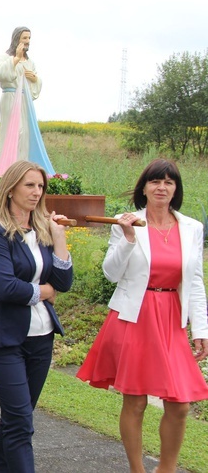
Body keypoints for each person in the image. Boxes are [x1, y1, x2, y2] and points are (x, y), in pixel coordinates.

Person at [76, 159, 208, 473]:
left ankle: (167, 469)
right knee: (135, 401)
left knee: (180, 404)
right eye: (155, 182)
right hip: (134, 318)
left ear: (176, 189)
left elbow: (194, 281)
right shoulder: (126, 223)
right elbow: (111, 274)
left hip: (171, 318)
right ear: (144, 188)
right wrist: (128, 238)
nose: (162, 187)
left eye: (169, 182)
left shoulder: (191, 227)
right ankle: (137, 469)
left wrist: (200, 328)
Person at [0, 160, 73, 472]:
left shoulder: (42, 230)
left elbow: (64, 283)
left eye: (40, 186)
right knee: (21, 423)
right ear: (11, 189)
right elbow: (4, 287)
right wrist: (43, 292)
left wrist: (59, 240)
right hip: (4, 339)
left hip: (41, 339)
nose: (36, 192)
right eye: (29, 185)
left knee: (18, 417)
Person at [0, 27, 53, 175]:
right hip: (11, 99)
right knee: (14, 133)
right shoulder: (5, 57)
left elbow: (35, 85)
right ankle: (8, 170)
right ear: (17, 39)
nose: (27, 41)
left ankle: (21, 168)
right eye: (24, 38)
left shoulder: (30, 62)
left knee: (25, 135)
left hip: (25, 102)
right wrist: (15, 59)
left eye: (29, 38)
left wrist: (35, 79)